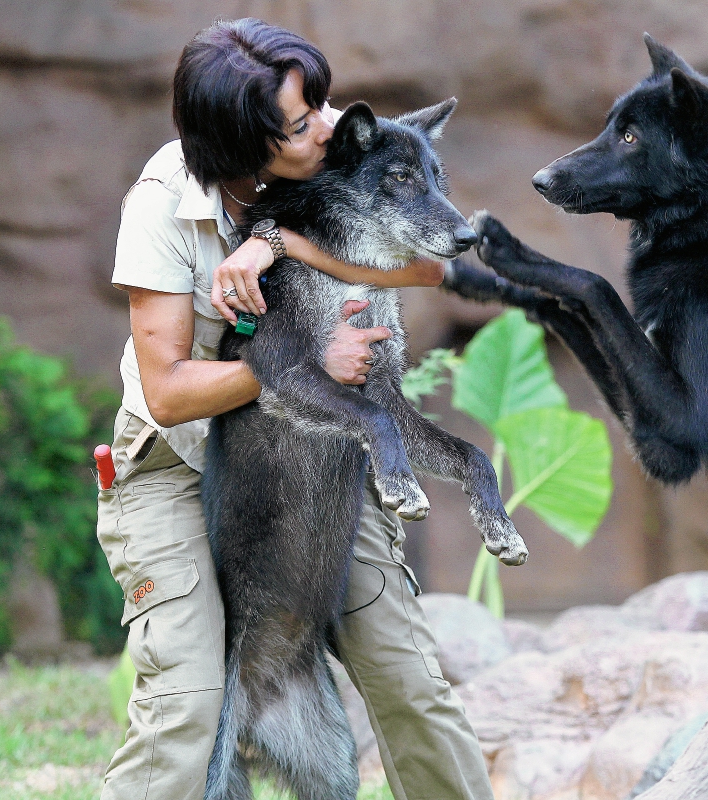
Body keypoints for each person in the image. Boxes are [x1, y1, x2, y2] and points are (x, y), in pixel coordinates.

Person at [97, 17, 495, 800]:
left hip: (320, 450)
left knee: (408, 679)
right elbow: (170, 393)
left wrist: (278, 242)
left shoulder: (334, 146)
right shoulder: (161, 204)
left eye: (318, 102)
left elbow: (432, 270)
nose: (326, 126)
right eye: (299, 121)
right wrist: (303, 362)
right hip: (178, 466)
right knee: (185, 705)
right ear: (238, 140)